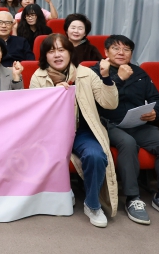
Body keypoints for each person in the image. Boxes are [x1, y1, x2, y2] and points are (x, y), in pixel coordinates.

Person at [29, 34, 119, 228]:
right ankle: (61, 191)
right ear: (45, 56)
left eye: (61, 50)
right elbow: (35, 114)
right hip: (52, 133)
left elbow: (110, 103)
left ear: (70, 52)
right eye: (51, 51)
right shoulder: (38, 76)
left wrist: (106, 77)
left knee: (96, 156)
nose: (57, 55)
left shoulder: (85, 73)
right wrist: (54, 94)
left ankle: (92, 204)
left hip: (82, 131)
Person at [95, 35, 159, 224]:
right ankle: (133, 198)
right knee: (128, 143)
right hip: (110, 124)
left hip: (138, 123)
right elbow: (98, 99)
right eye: (116, 48)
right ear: (106, 51)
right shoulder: (97, 71)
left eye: (126, 49)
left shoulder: (140, 73)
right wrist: (118, 78)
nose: (121, 52)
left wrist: (155, 113)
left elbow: (156, 98)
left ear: (131, 54)